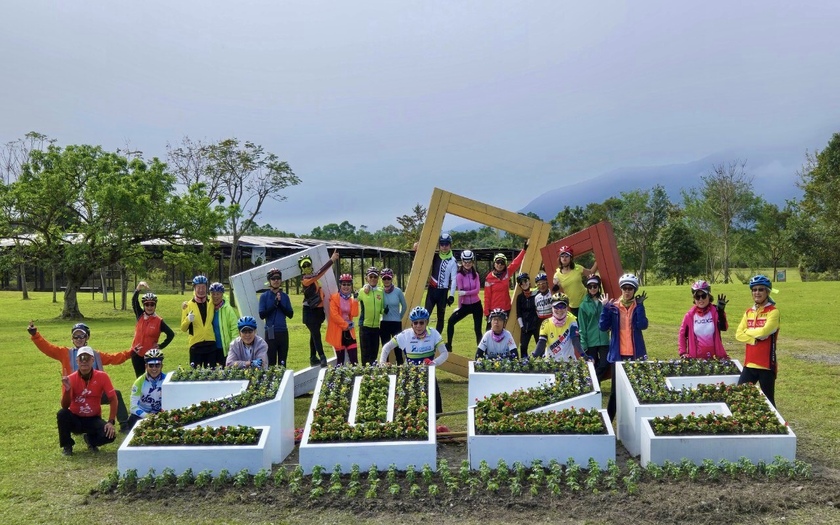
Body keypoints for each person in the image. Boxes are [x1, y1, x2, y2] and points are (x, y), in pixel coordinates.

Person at [29, 320, 132, 428]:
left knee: (116, 394)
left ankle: (124, 424)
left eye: (81, 336)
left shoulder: (95, 355)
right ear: (72, 339)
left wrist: (131, 353)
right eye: (75, 336)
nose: (78, 339)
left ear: (87, 337)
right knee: (65, 412)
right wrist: (35, 335)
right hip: (75, 395)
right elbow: (48, 348)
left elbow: (113, 358)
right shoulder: (64, 353)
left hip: (95, 394)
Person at [379, 306, 448, 414]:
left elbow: (444, 353)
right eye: (415, 323)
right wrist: (382, 363)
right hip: (411, 375)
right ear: (412, 324)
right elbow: (386, 347)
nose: (418, 326)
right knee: (410, 409)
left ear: (426, 322)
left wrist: (434, 363)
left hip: (428, 374)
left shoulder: (434, 334)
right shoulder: (405, 335)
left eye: (421, 322)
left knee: (435, 409)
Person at [599, 273, 648, 420]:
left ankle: (635, 423)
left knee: (635, 389)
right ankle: (608, 423)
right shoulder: (613, 307)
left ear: (634, 290)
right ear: (621, 289)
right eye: (624, 288)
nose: (627, 291)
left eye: (630, 288)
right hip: (617, 355)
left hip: (635, 355)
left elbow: (642, 325)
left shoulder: (637, 306)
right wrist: (605, 309)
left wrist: (640, 306)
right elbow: (603, 327)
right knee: (615, 392)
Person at [56, 347, 118, 456]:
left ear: (92, 360)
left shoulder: (102, 376)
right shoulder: (70, 378)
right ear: (77, 361)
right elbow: (65, 406)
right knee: (62, 413)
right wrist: (67, 390)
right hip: (76, 418)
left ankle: (90, 440)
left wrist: (110, 421)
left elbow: (113, 399)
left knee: (110, 435)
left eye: (87, 358)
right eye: (81, 358)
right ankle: (67, 446)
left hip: (93, 419)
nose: (84, 361)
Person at [735, 274, 780, 406]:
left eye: (761, 289)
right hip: (749, 364)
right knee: (739, 398)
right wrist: (754, 339)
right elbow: (738, 334)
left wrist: (747, 332)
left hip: (766, 365)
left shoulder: (773, 312)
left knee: (769, 403)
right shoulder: (749, 312)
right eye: (754, 289)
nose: (757, 292)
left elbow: (765, 332)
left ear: (767, 291)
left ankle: (777, 427)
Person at [300, 251, 339, 367]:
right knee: (316, 334)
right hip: (309, 312)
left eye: (308, 265)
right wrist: (332, 260)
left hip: (318, 311)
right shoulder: (306, 280)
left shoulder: (313, 279)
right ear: (301, 269)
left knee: (314, 334)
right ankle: (322, 357)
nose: (307, 268)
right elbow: (319, 273)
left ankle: (313, 357)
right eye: (304, 266)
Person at [130, 282, 175, 378]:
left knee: (151, 378)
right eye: (147, 305)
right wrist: (138, 288)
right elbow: (134, 302)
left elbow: (171, 334)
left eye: (152, 305)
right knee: (140, 379)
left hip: (150, 355)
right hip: (136, 353)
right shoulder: (140, 315)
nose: (149, 307)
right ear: (144, 306)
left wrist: (160, 346)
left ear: (155, 306)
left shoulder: (159, 321)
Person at [678, 280, 730, 360]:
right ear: (694, 298)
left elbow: (724, 327)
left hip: (715, 356)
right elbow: (682, 335)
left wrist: (721, 313)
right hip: (696, 357)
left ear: (709, 296)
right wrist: (683, 353)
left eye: (703, 296)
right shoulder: (689, 315)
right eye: (697, 297)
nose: (700, 299)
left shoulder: (715, 311)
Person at [445, 250, 483, 353]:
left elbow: (477, 291)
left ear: (472, 262)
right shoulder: (459, 276)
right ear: (462, 262)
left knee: (478, 330)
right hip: (465, 306)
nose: (467, 264)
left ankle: (481, 353)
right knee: (451, 321)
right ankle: (449, 345)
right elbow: (460, 293)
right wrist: (459, 307)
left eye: (469, 262)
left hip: (476, 305)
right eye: (465, 262)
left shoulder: (476, 275)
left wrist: (465, 293)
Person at [483, 242, 528, 327]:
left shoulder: (507, 273)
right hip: (493, 310)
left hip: (506, 308)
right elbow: (487, 296)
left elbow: (516, 263)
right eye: (498, 262)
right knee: (491, 334)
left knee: (506, 332)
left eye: (502, 263)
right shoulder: (489, 278)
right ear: (494, 263)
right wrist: (486, 312)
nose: (500, 264)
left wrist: (524, 250)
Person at [531, 293, 585, 362]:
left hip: (569, 362)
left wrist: (584, 355)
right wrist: (534, 356)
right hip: (551, 362)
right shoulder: (545, 323)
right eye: (556, 306)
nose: (559, 310)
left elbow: (575, 340)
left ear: (567, 308)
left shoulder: (572, 320)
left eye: (562, 306)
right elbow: (542, 342)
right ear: (552, 307)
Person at [258, 268, 294, 367]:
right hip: (270, 332)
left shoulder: (285, 296)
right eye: (273, 279)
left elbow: (290, 314)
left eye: (278, 278)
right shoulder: (264, 296)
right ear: (269, 281)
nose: (276, 281)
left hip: (282, 331)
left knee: (282, 362)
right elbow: (262, 315)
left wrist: (280, 304)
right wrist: (274, 305)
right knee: (271, 363)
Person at [578, 275, 610, 382]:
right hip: (590, 341)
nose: (592, 288)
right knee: (592, 365)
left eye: (595, 286)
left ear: (599, 287)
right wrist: (583, 344)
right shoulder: (583, 305)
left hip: (604, 339)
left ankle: (592, 382)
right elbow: (582, 326)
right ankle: (596, 387)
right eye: (590, 286)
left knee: (605, 363)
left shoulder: (604, 301)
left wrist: (607, 306)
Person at [424, 232, 458, 334]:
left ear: (450, 245)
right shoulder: (434, 256)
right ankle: (422, 335)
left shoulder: (453, 261)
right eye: (442, 244)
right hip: (431, 290)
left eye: (446, 244)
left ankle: (436, 339)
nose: (444, 247)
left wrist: (451, 295)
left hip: (443, 292)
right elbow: (422, 252)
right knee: (426, 314)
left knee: (440, 317)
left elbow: (454, 279)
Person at [126, 349, 167, 432]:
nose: (154, 368)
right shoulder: (139, 382)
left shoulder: (167, 380)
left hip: (161, 413)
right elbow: (133, 407)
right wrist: (148, 416)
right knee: (132, 419)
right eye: (151, 365)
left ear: (161, 366)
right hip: (144, 414)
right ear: (146, 366)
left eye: (157, 365)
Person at [181, 275, 217, 368]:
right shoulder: (187, 305)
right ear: (194, 288)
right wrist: (188, 319)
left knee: (211, 375)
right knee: (196, 376)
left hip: (210, 343)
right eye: (198, 287)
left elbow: (223, 297)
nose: (201, 290)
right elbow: (183, 328)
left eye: (203, 287)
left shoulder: (211, 303)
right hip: (196, 344)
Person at [552, 246, 597, 316]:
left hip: (586, 299)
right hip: (574, 306)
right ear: (560, 258)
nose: (564, 258)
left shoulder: (577, 268)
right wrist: (556, 286)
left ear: (571, 258)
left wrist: (597, 260)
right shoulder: (557, 275)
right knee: (580, 326)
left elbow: (590, 273)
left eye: (567, 256)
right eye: (562, 256)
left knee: (592, 322)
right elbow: (556, 290)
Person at [326, 273, 360, 366]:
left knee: (354, 361)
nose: (346, 286)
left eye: (348, 284)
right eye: (344, 284)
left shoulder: (351, 300)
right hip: (338, 332)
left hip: (349, 333)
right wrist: (345, 325)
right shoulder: (334, 298)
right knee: (340, 362)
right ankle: (338, 380)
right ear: (340, 285)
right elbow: (334, 315)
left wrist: (356, 301)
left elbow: (354, 314)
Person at [379, 268, 407, 365]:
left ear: (392, 278)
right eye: (384, 278)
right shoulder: (380, 291)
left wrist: (399, 317)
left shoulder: (398, 291)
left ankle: (400, 368)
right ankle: (385, 369)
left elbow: (404, 306)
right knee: (385, 347)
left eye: (388, 278)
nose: (386, 280)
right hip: (384, 323)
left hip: (396, 323)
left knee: (398, 348)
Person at [357, 267, 385, 365]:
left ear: (378, 279)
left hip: (376, 327)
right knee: (365, 354)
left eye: (375, 277)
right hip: (365, 326)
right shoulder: (362, 291)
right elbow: (353, 298)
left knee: (374, 353)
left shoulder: (381, 292)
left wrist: (385, 311)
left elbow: (381, 309)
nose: (373, 279)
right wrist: (365, 286)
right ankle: (365, 374)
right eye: (371, 276)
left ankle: (372, 377)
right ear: (367, 278)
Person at [209, 282, 240, 366]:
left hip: (225, 348)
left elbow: (234, 327)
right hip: (212, 347)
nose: (215, 296)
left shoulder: (228, 309)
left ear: (222, 294)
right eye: (213, 294)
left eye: (218, 294)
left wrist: (233, 344)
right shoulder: (209, 307)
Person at [515, 272, 540, 358]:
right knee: (523, 346)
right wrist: (522, 326)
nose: (524, 283)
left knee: (540, 345)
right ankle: (525, 362)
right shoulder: (520, 297)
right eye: (521, 282)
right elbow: (518, 313)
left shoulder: (537, 293)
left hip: (537, 324)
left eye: (525, 281)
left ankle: (543, 361)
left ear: (529, 281)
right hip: (526, 326)